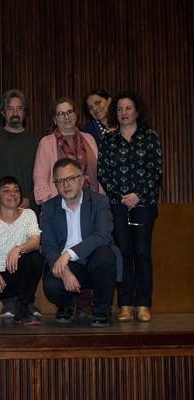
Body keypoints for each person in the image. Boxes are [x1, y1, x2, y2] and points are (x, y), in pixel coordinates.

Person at [98, 91, 162, 322]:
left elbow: (156, 172)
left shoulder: (150, 137)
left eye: (128, 108)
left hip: (145, 205)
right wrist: (122, 197)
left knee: (142, 253)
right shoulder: (109, 139)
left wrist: (138, 196)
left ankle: (143, 304)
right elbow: (103, 173)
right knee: (123, 253)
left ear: (137, 111)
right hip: (118, 205)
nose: (123, 113)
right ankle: (125, 304)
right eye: (119, 109)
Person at [41, 158, 117, 328]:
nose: (66, 185)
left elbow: (102, 235)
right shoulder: (49, 208)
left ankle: (101, 310)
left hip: (93, 261)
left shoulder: (99, 202)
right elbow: (47, 245)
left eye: (71, 178)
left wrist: (68, 254)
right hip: (67, 266)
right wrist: (65, 271)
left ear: (82, 179)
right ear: (55, 185)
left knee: (105, 255)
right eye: (60, 181)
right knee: (52, 285)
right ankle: (66, 305)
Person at [0, 176, 44, 326]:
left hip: (16, 275)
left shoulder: (28, 214)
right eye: (6, 190)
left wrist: (18, 249)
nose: (12, 194)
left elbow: (35, 241)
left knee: (36, 257)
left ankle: (23, 308)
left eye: (16, 190)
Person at [33, 97, 101, 205]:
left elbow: (98, 173)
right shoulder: (46, 143)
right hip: (59, 205)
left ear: (75, 115)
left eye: (70, 112)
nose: (66, 117)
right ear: (55, 119)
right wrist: (47, 206)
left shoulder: (89, 139)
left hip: (92, 202)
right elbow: (40, 179)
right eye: (61, 114)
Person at [0, 89, 40, 210]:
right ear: (3, 112)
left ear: (25, 112)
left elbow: (42, 176)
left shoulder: (37, 141)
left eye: (19, 108)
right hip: (1, 210)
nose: (15, 113)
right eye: (10, 109)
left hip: (30, 209)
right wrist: (6, 199)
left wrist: (30, 199)